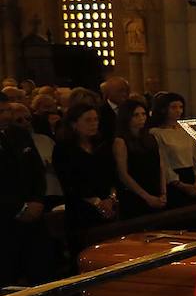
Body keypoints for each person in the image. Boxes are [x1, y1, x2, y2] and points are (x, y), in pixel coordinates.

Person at [54, 103, 118, 252]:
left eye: (96, 119)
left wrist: (111, 198)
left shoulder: (102, 145)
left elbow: (112, 174)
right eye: (88, 120)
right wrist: (97, 203)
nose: (94, 124)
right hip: (80, 211)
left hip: (108, 206)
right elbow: (68, 181)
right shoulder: (64, 149)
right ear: (74, 124)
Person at [0, 107, 49, 286]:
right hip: (5, 218)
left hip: (34, 211)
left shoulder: (19, 134)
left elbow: (37, 170)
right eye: (0, 111)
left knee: (40, 268)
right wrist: (19, 208)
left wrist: (37, 200)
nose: (6, 115)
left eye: (6, 110)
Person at [113, 99, 166, 219]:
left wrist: (163, 192)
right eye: (136, 115)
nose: (141, 118)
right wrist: (147, 197)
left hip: (154, 188)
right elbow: (123, 174)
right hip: (135, 194)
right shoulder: (121, 141)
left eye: (143, 114)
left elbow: (161, 165)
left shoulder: (151, 138)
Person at [97, 76, 130, 143]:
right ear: (108, 92)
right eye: (120, 91)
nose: (124, 94)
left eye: (127, 90)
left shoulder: (132, 108)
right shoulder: (99, 111)